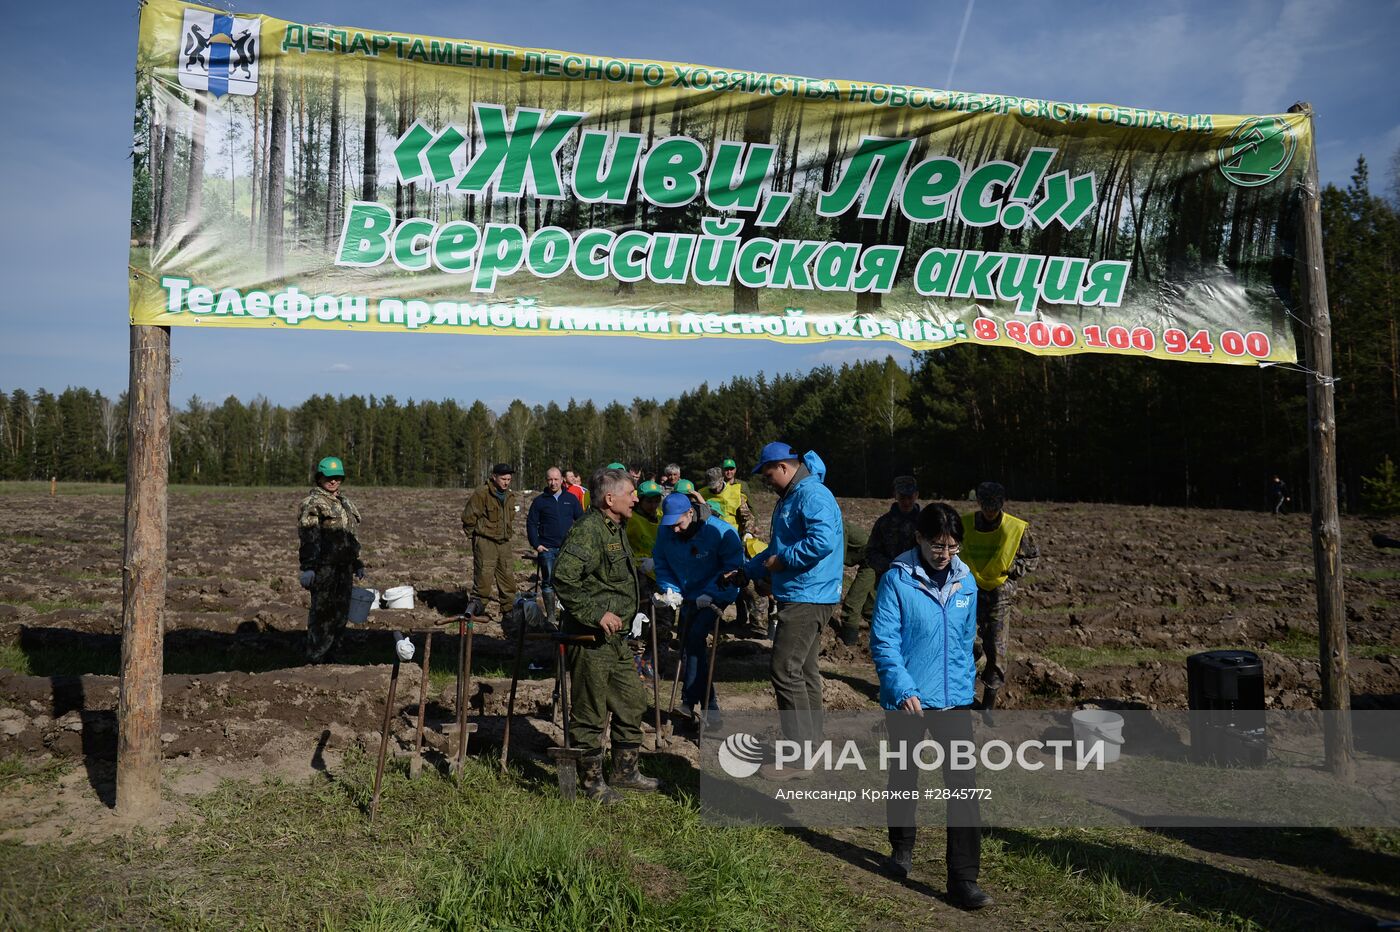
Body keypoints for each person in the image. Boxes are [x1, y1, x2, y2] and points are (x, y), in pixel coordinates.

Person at [869, 502, 992, 911]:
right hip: (907, 699)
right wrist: (903, 689)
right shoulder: (896, 580)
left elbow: (963, 642)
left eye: (953, 546)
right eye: (938, 545)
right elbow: (884, 642)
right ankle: (902, 846)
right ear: (919, 538)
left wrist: (964, 689)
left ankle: (962, 880)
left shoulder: (966, 583)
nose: (945, 553)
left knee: (964, 786)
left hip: (953, 700)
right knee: (905, 774)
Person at [733, 442, 843, 775]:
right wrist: (747, 570)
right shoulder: (793, 497)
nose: (767, 482)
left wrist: (784, 561)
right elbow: (777, 548)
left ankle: (799, 758)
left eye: (768, 475)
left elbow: (822, 541)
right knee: (804, 671)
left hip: (807, 596)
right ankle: (812, 746)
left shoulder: (812, 495)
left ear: (783, 466)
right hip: (804, 593)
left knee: (784, 670)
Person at [553, 466, 658, 802]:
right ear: (610, 498)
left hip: (616, 641)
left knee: (632, 701)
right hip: (591, 640)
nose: (636, 498)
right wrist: (597, 614)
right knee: (590, 712)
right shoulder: (588, 531)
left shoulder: (615, 528)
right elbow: (564, 579)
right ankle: (588, 783)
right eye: (631, 493)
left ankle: (625, 771)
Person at [652, 492, 742, 728]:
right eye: (669, 525)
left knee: (694, 637)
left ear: (690, 513)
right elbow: (661, 562)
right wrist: (671, 590)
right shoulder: (667, 531)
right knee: (687, 645)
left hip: (717, 594)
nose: (674, 530)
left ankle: (692, 702)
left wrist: (712, 592)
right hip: (688, 594)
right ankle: (706, 709)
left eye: (679, 524)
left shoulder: (720, 532)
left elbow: (733, 569)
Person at [960, 481, 1039, 711]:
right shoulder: (965, 524)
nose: (989, 511)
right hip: (968, 593)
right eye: (985, 506)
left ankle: (988, 703)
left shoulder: (1016, 528)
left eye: (994, 506)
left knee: (997, 650)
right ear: (979, 503)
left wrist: (1011, 570)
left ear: (1002, 504)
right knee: (967, 645)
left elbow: (1032, 557)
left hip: (999, 596)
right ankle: (963, 693)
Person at [297, 456, 365, 663]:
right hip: (324, 569)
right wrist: (308, 568)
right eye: (329, 477)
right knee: (322, 614)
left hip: (344, 568)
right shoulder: (313, 503)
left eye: (337, 477)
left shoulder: (344, 503)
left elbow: (350, 536)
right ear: (319, 478)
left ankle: (335, 655)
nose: (333, 481)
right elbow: (309, 536)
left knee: (341, 613)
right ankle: (317, 657)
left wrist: (357, 562)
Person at [461, 463, 520, 620]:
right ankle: (477, 608)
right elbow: (468, 517)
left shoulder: (510, 496)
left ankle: (508, 610)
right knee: (484, 577)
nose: (506, 482)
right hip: (485, 541)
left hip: (504, 542)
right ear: (494, 477)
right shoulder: (482, 494)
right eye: (503, 479)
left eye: (509, 479)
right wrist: (475, 539)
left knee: (507, 577)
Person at [526, 466, 583, 621]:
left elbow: (581, 521)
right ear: (546, 480)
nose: (553, 483)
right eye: (550, 479)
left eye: (556, 479)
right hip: (547, 548)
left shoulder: (571, 499)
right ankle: (551, 616)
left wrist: (579, 542)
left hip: (568, 549)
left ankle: (568, 616)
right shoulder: (539, 501)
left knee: (569, 581)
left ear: (562, 480)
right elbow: (531, 523)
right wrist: (536, 544)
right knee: (548, 582)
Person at [837, 519, 876, 646]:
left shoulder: (838, 526)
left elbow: (837, 559)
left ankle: (849, 644)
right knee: (869, 606)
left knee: (853, 602)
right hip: (867, 559)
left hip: (871, 561)